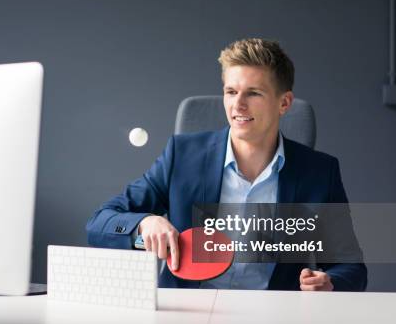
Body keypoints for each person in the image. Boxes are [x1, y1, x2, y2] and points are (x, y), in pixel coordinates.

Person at [86, 38, 367, 291]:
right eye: (231, 92)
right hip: (186, 317)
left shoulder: (319, 172)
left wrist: (330, 282)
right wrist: (144, 224)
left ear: (284, 103)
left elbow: (350, 268)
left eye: (253, 93)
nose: (238, 105)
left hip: (275, 321)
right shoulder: (182, 157)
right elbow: (99, 224)